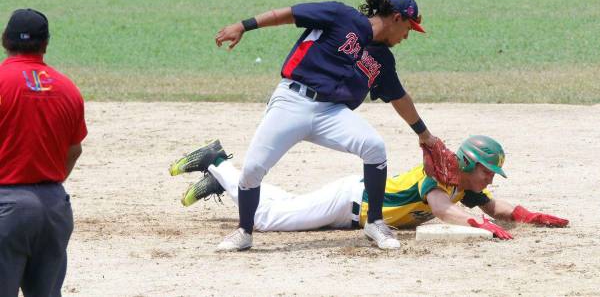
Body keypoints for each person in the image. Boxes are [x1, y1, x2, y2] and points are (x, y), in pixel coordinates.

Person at [209, 0, 451, 251]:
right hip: (293, 101)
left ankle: (375, 223)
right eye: (408, 27)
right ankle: (244, 231)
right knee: (253, 169)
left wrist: (424, 135)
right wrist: (243, 26)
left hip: (330, 114)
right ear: (395, 18)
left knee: (374, 147)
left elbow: (399, 98)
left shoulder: (381, 58)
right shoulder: (341, 16)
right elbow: (289, 14)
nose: (407, 35)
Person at [170, 136, 568, 239]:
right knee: (268, 219)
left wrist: (527, 216)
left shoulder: (465, 184)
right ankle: (217, 162)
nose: (490, 179)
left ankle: (220, 178)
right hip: (349, 201)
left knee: (287, 205)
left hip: (353, 208)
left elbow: (494, 206)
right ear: (468, 164)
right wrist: (480, 228)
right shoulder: (439, 177)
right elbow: (444, 210)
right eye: (487, 171)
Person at [0, 9, 87, 297]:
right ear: (45, 44)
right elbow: (74, 149)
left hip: (6, 207)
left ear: (5, 40)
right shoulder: (67, 88)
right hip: (53, 209)